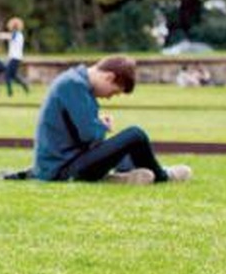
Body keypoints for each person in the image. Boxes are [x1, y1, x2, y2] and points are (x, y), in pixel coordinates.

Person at [32, 55, 192, 185]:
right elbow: (90, 135)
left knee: (124, 149)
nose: (109, 97)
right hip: (63, 170)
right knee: (136, 135)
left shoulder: (75, 83)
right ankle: (162, 176)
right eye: (114, 92)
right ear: (109, 77)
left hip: (65, 164)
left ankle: (123, 175)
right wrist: (101, 125)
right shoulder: (74, 85)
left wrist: (96, 122)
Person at [3, 17, 29, 97]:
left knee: (7, 75)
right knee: (13, 75)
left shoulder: (16, 34)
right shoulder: (18, 35)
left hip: (15, 57)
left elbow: (8, 37)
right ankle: (24, 86)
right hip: (15, 57)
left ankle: (10, 93)